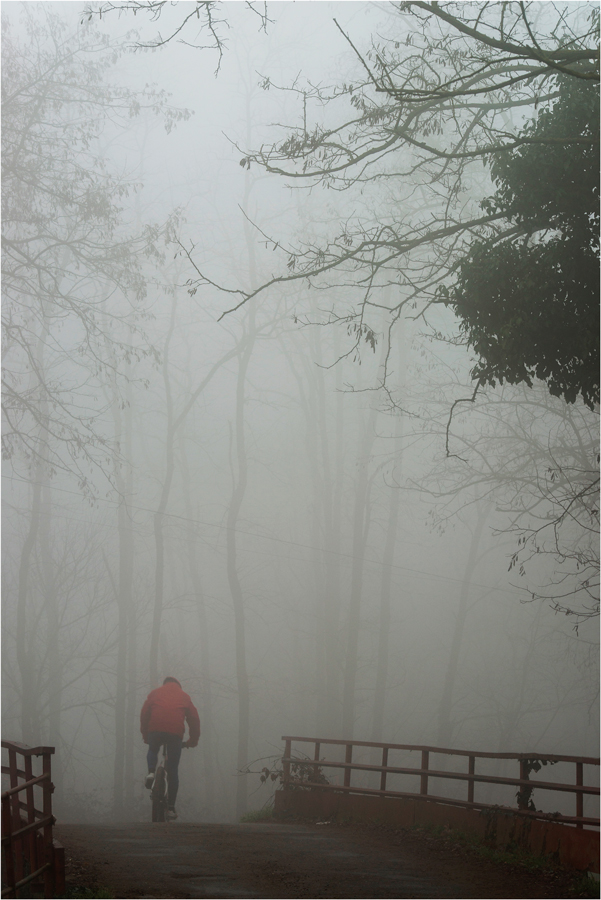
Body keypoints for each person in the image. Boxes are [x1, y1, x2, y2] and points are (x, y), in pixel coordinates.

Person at [140, 676, 200, 820]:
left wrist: (146, 735)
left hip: (155, 730)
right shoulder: (184, 696)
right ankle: (171, 808)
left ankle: (151, 772)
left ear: (165, 684)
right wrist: (192, 741)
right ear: (178, 685)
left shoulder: (155, 693)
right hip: (175, 733)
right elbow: (194, 719)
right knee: (172, 770)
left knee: (153, 750)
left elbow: (144, 713)